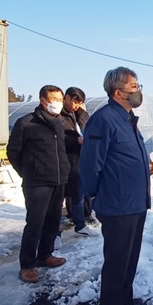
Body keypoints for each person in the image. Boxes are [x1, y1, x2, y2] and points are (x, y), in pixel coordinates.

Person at [79, 67, 153, 305]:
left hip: (135, 204)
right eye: (134, 86)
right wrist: (101, 195)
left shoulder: (127, 119)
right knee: (116, 264)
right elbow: (90, 165)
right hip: (117, 205)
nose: (138, 90)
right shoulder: (104, 120)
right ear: (118, 91)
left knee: (129, 260)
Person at [7, 85, 70, 283]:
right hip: (37, 183)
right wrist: (28, 172)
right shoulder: (27, 123)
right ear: (43, 100)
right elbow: (13, 152)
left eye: (60, 99)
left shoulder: (59, 122)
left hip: (58, 180)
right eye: (53, 99)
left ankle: (45, 255)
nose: (57, 103)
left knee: (52, 221)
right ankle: (27, 264)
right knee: (35, 223)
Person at [59, 86, 95, 236]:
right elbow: (58, 138)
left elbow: (87, 128)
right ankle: (55, 232)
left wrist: (81, 113)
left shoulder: (78, 115)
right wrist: (76, 141)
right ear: (66, 98)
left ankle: (80, 224)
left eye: (79, 103)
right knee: (61, 197)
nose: (76, 106)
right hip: (64, 161)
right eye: (74, 102)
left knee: (79, 195)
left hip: (79, 160)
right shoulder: (59, 117)